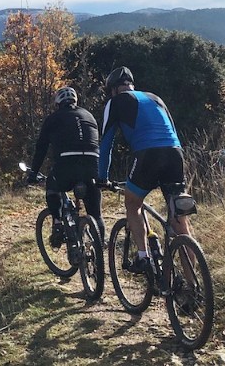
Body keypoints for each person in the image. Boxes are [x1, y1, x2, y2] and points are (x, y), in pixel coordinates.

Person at [97, 66, 191, 274]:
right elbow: (173, 130)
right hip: (175, 153)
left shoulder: (114, 102)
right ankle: (193, 284)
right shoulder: (156, 98)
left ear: (113, 90)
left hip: (148, 154)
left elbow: (105, 145)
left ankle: (143, 257)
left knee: (132, 202)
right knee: (180, 222)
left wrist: (102, 178)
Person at [27, 86, 104, 246]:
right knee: (96, 214)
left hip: (67, 166)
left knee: (53, 186)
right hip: (93, 164)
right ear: (76, 101)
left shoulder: (53, 118)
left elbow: (41, 148)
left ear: (58, 103)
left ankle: (57, 223)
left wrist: (33, 173)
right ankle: (99, 252)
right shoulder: (88, 116)